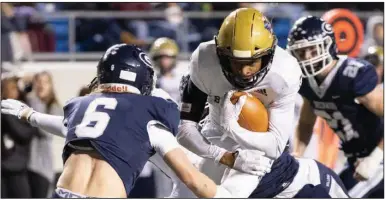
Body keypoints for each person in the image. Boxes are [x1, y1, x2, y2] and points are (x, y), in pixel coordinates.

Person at [1, 44, 270, 198]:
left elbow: (65, 126)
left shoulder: (81, 107)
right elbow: (194, 180)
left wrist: (30, 115)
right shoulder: (151, 118)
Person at [176, 7, 348, 198]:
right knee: (187, 191)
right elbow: (185, 131)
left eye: (252, 62)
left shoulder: (284, 72)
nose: (244, 71)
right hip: (214, 134)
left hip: (259, 142)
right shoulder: (204, 60)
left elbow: (274, 145)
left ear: (269, 55)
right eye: (236, 62)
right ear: (221, 55)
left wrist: (233, 128)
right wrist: (225, 156)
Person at [288, 16, 384, 198]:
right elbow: (306, 122)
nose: (307, 57)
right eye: (301, 52)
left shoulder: (352, 75)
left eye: (312, 49)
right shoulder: (308, 83)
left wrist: (376, 157)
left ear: (327, 45)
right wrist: (297, 154)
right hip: (355, 160)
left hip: (379, 158)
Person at [1, 76, 38, 198]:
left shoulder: (24, 109)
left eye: (16, 88)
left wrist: (7, 115)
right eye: (10, 88)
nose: (15, 91)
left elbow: (24, 134)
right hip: (3, 169)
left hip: (18, 169)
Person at [150, 37, 185, 103]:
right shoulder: (152, 81)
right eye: (161, 57)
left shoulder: (183, 81)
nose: (164, 61)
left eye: (168, 57)